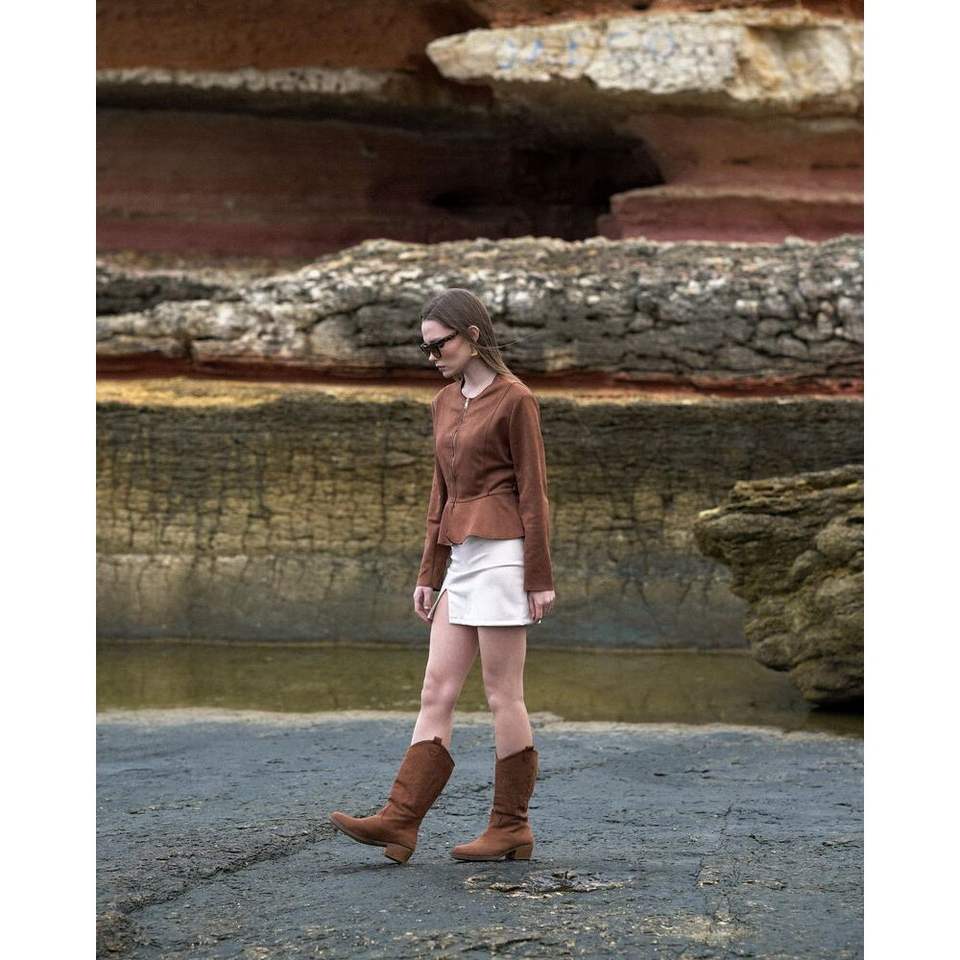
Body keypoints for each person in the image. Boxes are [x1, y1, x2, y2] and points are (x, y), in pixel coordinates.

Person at [329, 288, 557, 863]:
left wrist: (538, 576)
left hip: (504, 554)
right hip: (461, 558)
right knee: (436, 689)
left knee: (503, 694)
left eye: (440, 345)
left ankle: (511, 827)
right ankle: (400, 821)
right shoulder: (443, 402)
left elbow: (534, 492)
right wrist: (429, 571)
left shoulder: (516, 400)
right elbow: (441, 492)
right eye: (425, 348)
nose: (432, 356)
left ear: (472, 336)